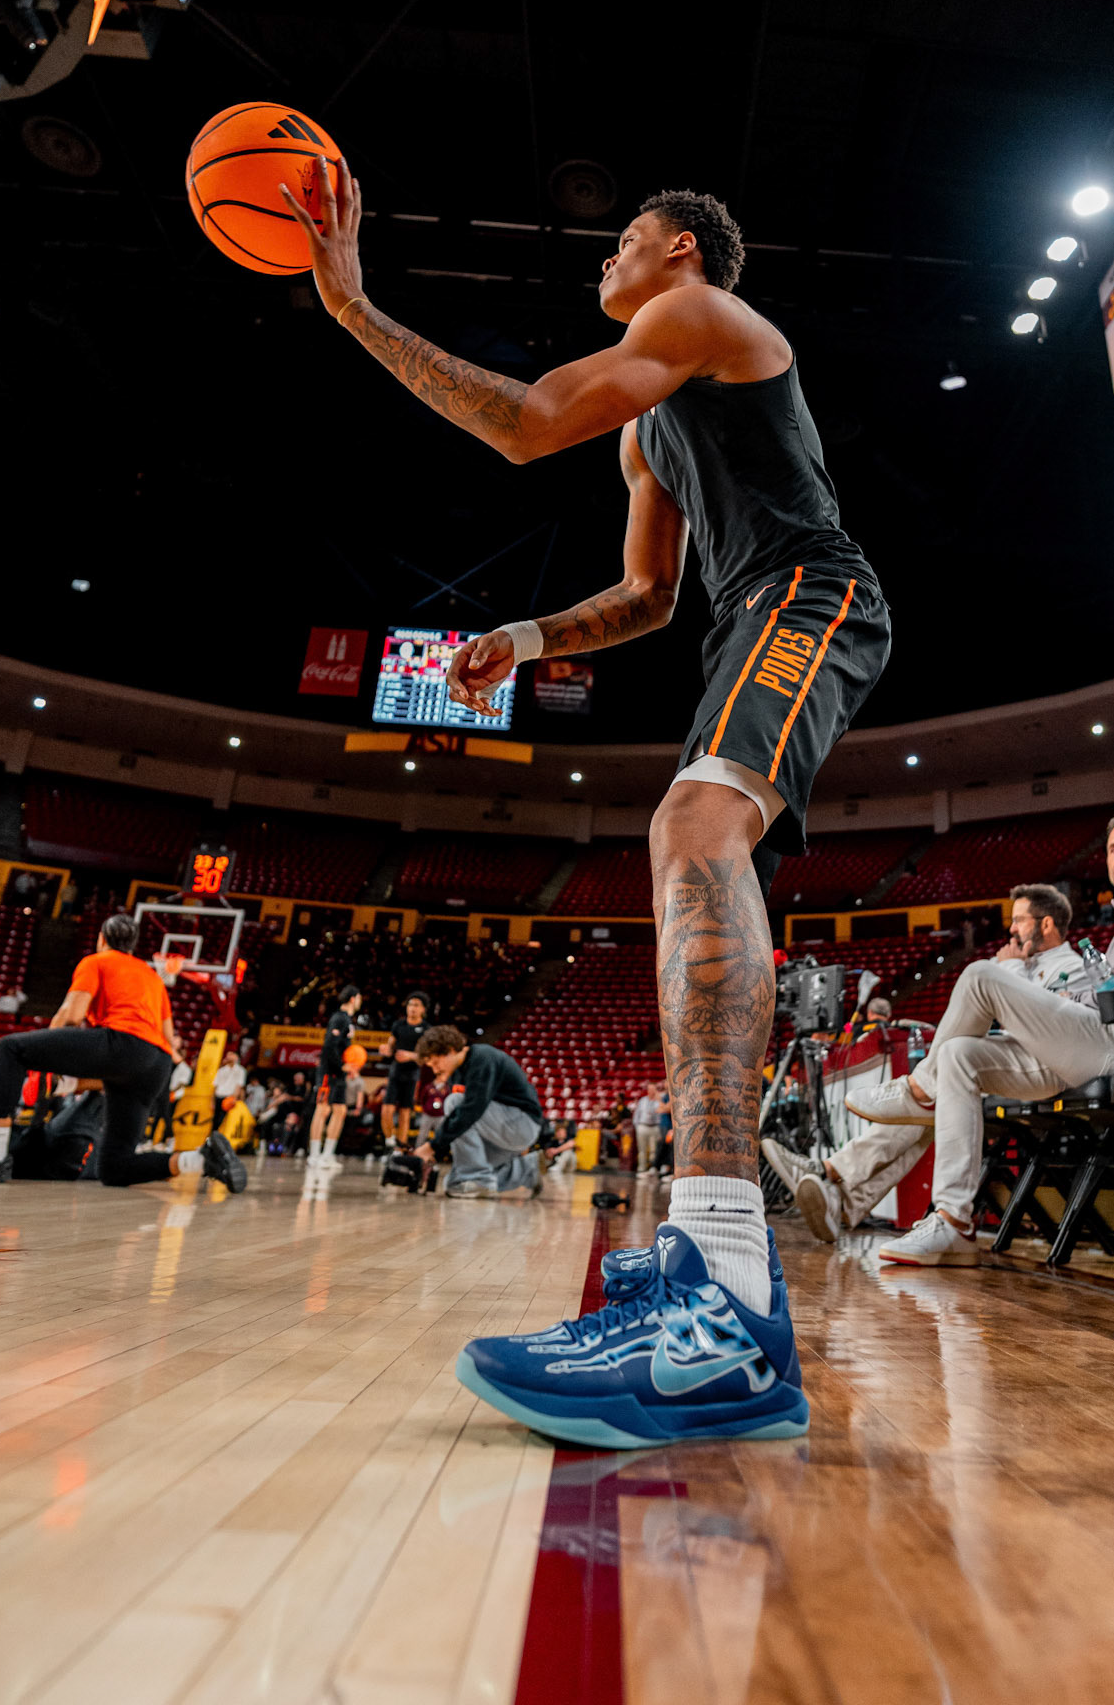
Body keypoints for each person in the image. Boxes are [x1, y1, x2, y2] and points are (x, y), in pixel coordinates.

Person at [286, 172, 887, 1445]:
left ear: (678, 252)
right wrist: (526, 632)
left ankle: (721, 1288)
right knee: (681, 828)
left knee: (692, 827)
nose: (600, 263)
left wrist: (351, 309)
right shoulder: (652, 425)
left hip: (814, 593)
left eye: (619, 242)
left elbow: (526, 421)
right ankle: (706, 1265)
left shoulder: (703, 317)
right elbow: (646, 594)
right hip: (739, 618)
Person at [851, 814, 1114, 1267]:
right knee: (958, 1054)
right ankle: (953, 1221)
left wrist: (1070, 996)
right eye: (1113, 849)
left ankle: (918, 1091)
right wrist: (1072, 997)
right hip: (1100, 1042)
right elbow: (1110, 993)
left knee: (980, 976)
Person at [767, 886, 1094, 1242]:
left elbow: (1036, 1031)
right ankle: (843, 1197)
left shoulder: (1072, 968)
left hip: (1040, 1076)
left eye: (1019, 920)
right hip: (993, 1073)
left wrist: (1010, 968)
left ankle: (830, 1176)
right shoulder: (1026, 966)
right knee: (927, 1108)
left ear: (1045, 924)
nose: (1011, 929)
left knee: (929, 1098)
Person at [0, 913, 244, 1192]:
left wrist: (41, 1062)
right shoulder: (153, 977)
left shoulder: (96, 961)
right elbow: (170, 1038)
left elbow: (71, 1016)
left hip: (122, 1044)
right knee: (115, 1169)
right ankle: (200, 1160)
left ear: (102, 939)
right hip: (156, 1063)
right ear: (132, 946)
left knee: (9, 1048)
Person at [412, 1024, 544, 1199]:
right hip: (499, 1130)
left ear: (450, 1050)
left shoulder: (482, 1058)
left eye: (435, 1063)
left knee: (454, 1103)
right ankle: (527, 1170)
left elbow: (471, 1111)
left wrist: (432, 1146)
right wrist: (435, 1154)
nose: (435, 1070)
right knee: (456, 1182)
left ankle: (479, 1180)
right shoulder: (457, 1073)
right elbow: (458, 1125)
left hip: (521, 1123)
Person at [309, 984, 363, 1168]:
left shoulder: (348, 1020)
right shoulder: (339, 1018)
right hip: (328, 1072)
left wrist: (348, 1068)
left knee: (340, 1111)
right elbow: (329, 1046)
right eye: (359, 998)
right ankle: (314, 1155)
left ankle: (327, 1155)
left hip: (339, 1074)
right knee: (322, 1110)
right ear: (353, 999)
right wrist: (342, 1065)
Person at [381, 990, 430, 1151]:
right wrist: (386, 1050)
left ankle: (400, 1149)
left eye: (416, 1005)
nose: (412, 1008)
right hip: (395, 1071)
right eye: (410, 1004)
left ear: (423, 1009)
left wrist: (410, 1055)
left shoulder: (426, 1029)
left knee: (405, 1113)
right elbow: (390, 1046)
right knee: (386, 1110)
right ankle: (389, 1140)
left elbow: (426, 1057)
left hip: (413, 1074)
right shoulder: (398, 1025)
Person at [631, 1081, 664, 1175]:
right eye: (650, 1089)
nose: (651, 1091)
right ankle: (642, 1168)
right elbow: (637, 1113)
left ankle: (652, 1167)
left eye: (653, 1089)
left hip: (655, 1127)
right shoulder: (642, 1100)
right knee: (642, 1149)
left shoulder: (659, 1100)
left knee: (654, 1150)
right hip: (642, 1126)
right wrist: (637, 1126)